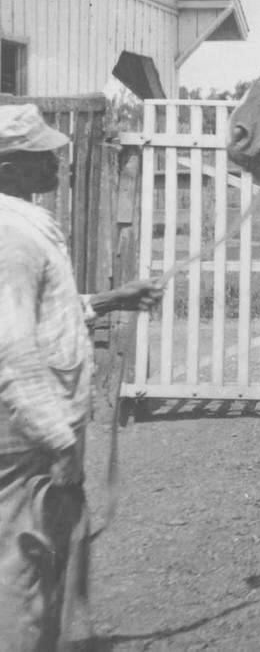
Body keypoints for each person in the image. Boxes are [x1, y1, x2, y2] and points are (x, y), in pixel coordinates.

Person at [0, 104, 162, 651]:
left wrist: (116, 299)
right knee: (23, 574)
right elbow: (11, 349)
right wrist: (59, 438)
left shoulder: (21, 222)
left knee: (46, 559)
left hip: (38, 428)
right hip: (30, 436)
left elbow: (47, 313)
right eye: (41, 153)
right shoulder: (11, 235)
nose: (56, 161)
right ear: (7, 166)